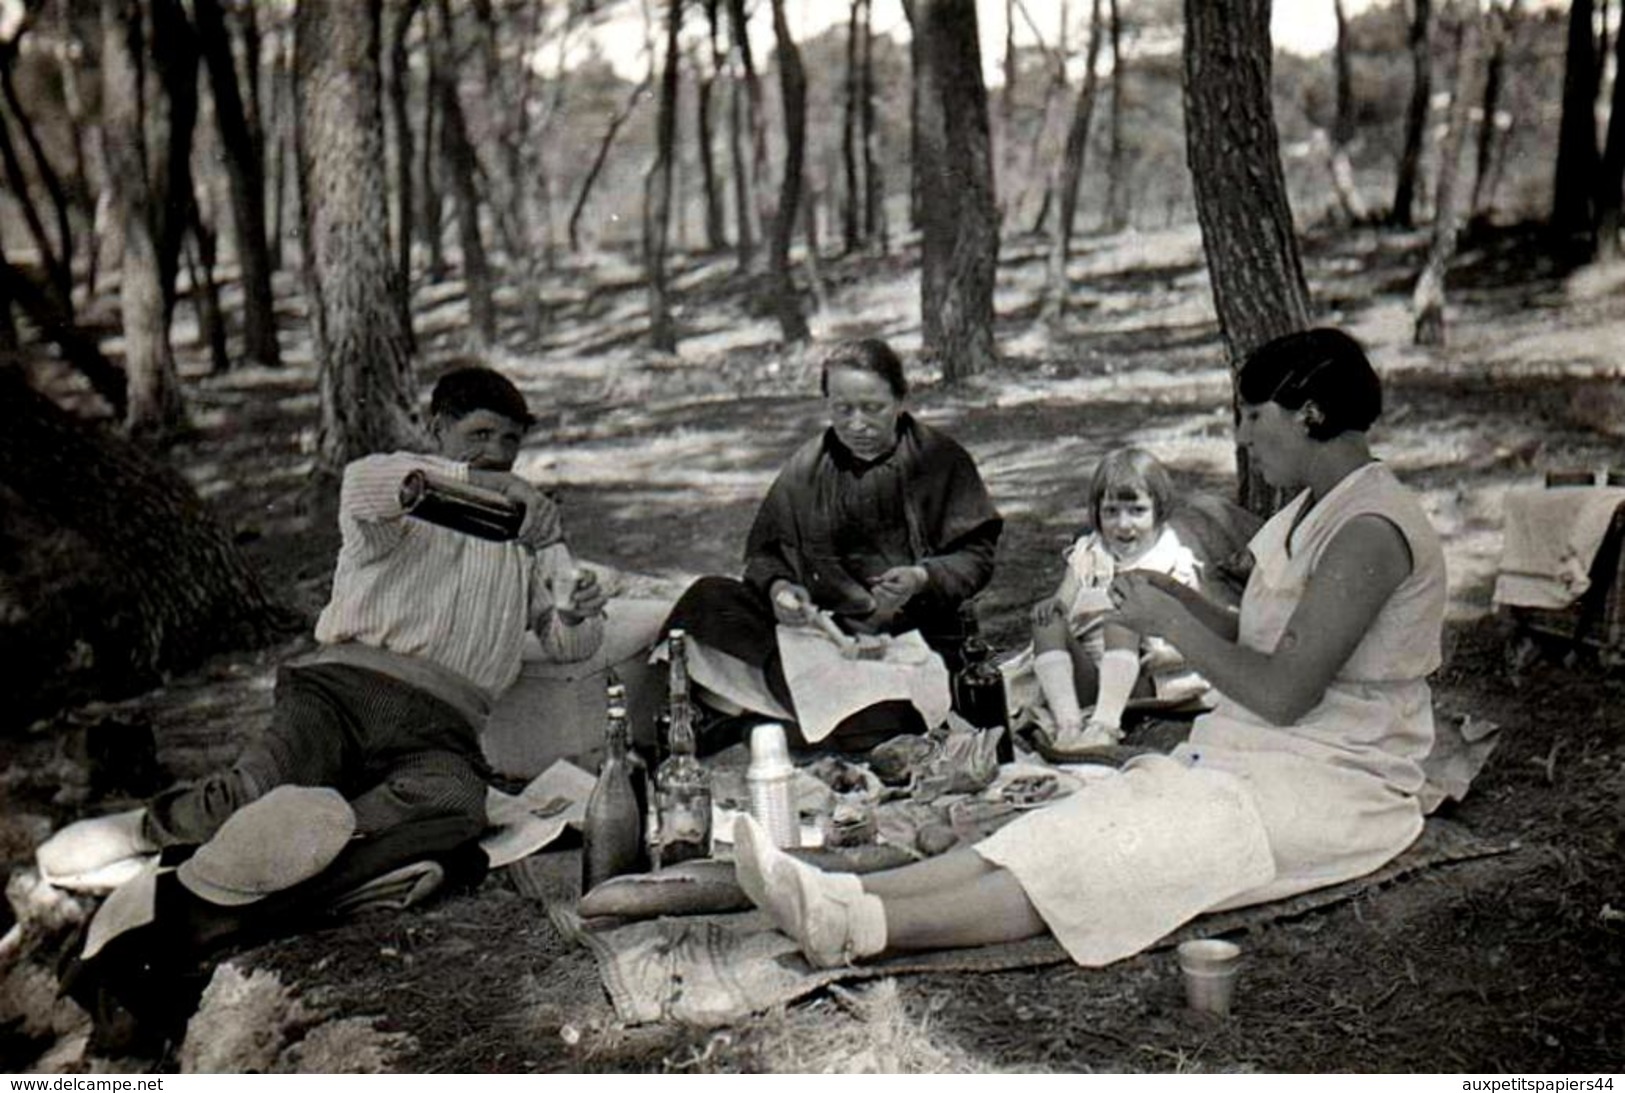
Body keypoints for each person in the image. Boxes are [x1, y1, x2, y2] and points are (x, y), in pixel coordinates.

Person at [733, 327, 1448, 968]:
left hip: (1335, 781)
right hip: (1259, 754)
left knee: (1113, 855)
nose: (1241, 435)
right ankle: (838, 887)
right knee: (1073, 820)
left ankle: (860, 925)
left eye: (1252, 415)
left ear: (1309, 413)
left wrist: (1170, 626)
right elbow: (1263, 636)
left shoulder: (1368, 529)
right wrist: (1177, 600)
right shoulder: (1310, 510)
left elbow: (1285, 691)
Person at [39, 365, 608, 885]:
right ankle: (144, 831)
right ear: (438, 430)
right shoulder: (407, 499)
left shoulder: (525, 538)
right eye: (479, 435)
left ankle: (309, 835)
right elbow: (363, 486)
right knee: (257, 787)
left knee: (457, 804)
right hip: (344, 694)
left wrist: (576, 609)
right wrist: (483, 484)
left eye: (510, 441)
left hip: (442, 727)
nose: (497, 452)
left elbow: (569, 643)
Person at [662, 338, 1002, 751]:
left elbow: (976, 555)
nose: (857, 423)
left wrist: (921, 577)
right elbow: (764, 554)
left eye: (872, 408)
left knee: (893, 717)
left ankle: (755, 723)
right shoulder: (810, 464)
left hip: (913, 641)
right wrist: (781, 591)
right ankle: (803, 721)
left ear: (899, 399)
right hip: (822, 639)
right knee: (708, 600)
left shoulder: (939, 459)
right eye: (843, 409)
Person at [1029, 446, 1206, 750]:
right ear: (1097, 513)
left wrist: (1163, 655)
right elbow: (1063, 602)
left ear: (1158, 509)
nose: (1123, 524)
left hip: (1141, 679)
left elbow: (1196, 636)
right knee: (1046, 620)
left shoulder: (1174, 562)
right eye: (1111, 512)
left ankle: (1105, 727)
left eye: (1137, 511)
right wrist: (1053, 608)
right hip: (1089, 677)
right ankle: (1069, 724)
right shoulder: (1089, 553)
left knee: (1122, 615)